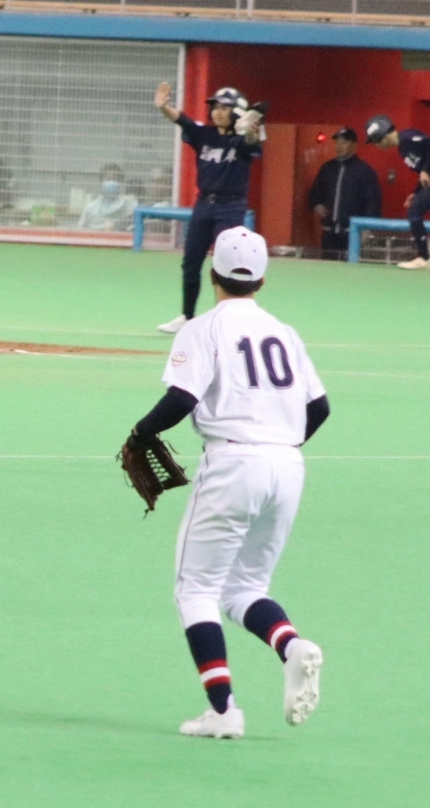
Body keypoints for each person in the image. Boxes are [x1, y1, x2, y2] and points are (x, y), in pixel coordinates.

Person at [124, 226, 330, 738]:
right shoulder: (283, 331)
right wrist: (279, 443)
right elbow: (320, 408)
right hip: (287, 466)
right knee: (245, 588)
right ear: (262, 279)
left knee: (196, 590)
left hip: (233, 463)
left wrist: (140, 433)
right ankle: (292, 646)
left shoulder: (204, 328)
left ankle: (223, 711)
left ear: (212, 273)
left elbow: (181, 399)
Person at [154, 83, 262, 334]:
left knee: (228, 264)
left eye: (224, 107)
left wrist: (250, 130)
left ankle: (226, 319)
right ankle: (187, 316)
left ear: (237, 111)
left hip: (231, 206)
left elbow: (252, 144)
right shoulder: (205, 135)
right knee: (190, 262)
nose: (217, 112)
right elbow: (183, 120)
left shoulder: (243, 139)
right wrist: (163, 107)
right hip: (203, 205)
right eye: (215, 107)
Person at [365, 114, 430, 269]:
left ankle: (425, 258)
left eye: (375, 141)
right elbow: (423, 174)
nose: (376, 146)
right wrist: (416, 192)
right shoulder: (402, 149)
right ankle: (425, 257)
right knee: (414, 210)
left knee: (414, 212)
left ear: (382, 136)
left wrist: (426, 170)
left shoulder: (407, 138)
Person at [308, 127, 382, 258]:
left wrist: (367, 228)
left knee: (351, 266)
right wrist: (317, 205)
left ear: (354, 145)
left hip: (353, 232)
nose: (339, 146)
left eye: (344, 142)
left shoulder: (365, 171)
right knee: (327, 266)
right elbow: (315, 193)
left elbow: (373, 202)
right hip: (329, 233)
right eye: (337, 143)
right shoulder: (327, 168)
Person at [78, 164, 138, 232]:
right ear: (101, 182)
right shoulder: (92, 206)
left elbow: (134, 225)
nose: (111, 182)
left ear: (121, 183)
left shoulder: (129, 203)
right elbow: (81, 227)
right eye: (108, 179)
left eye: (115, 179)